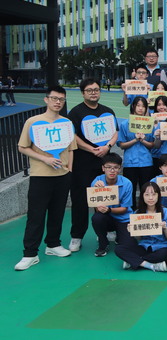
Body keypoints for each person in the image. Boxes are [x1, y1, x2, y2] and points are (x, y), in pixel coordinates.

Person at [15, 86, 77, 271]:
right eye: (54, 98)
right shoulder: (33, 122)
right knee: (36, 215)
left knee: (57, 213)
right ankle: (30, 253)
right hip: (40, 176)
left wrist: (69, 170)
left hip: (62, 176)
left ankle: (53, 244)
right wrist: (45, 159)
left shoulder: (66, 123)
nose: (58, 102)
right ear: (46, 99)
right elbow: (22, 147)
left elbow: (71, 149)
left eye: (61, 99)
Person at [67, 78, 119, 253]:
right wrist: (91, 149)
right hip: (82, 164)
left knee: (106, 197)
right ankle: (77, 236)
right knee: (80, 200)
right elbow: (73, 136)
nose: (93, 93)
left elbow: (115, 132)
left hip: (103, 162)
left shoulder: (108, 111)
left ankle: (106, 230)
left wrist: (107, 147)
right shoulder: (75, 113)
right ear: (83, 93)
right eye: (89, 90)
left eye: (96, 89)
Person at [115, 181, 167, 272]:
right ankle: (150, 265)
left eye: (154, 194)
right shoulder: (137, 213)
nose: (150, 198)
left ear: (158, 196)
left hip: (162, 246)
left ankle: (134, 261)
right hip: (144, 246)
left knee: (166, 254)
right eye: (147, 195)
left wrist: (165, 228)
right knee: (119, 249)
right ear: (142, 196)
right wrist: (133, 231)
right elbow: (139, 239)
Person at [90, 153, 136, 257]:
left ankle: (119, 236)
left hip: (123, 218)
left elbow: (124, 209)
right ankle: (103, 243)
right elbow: (96, 209)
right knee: (97, 218)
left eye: (115, 167)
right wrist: (96, 190)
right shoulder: (97, 182)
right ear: (103, 168)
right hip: (106, 217)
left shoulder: (127, 183)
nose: (112, 170)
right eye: (108, 167)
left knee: (128, 244)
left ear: (120, 169)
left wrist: (109, 210)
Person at [118, 96, 156, 205]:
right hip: (130, 162)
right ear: (133, 106)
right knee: (130, 190)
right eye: (138, 105)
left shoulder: (149, 124)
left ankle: (145, 211)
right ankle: (131, 211)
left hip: (146, 161)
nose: (140, 108)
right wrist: (135, 140)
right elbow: (121, 144)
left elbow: (152, 144)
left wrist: (142, 140)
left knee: (146, 190)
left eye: (143, 106)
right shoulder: (125, 124)